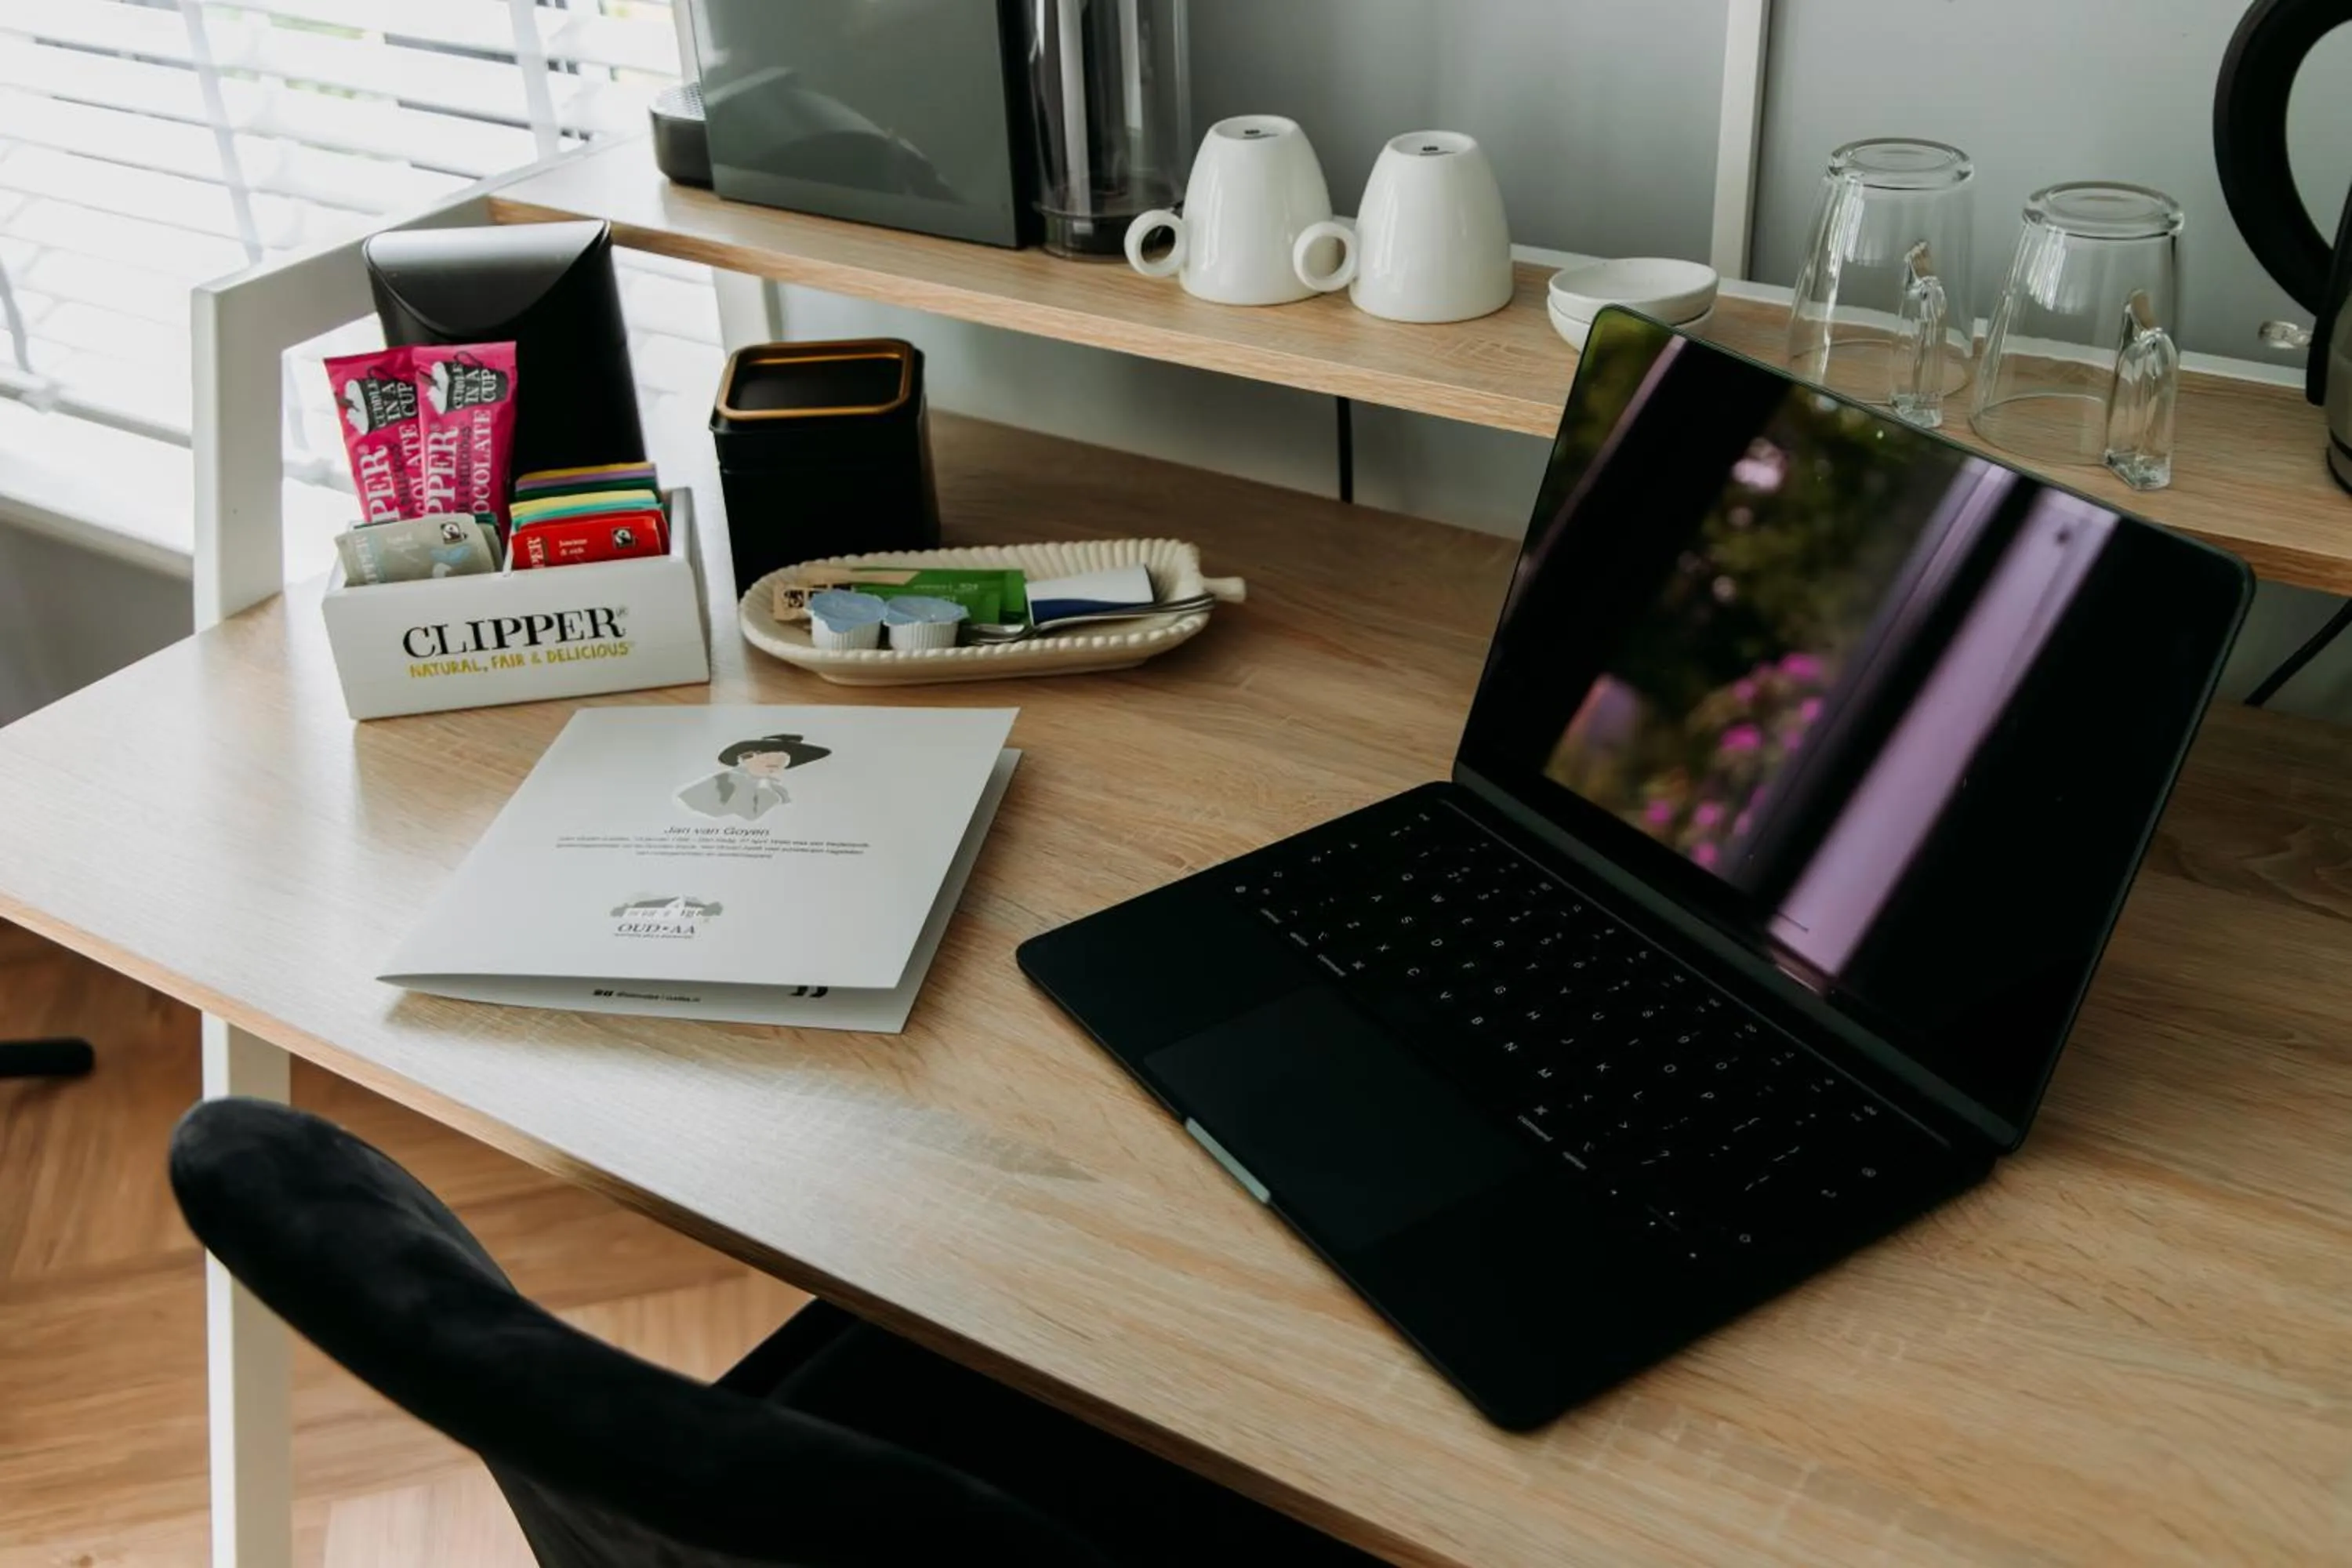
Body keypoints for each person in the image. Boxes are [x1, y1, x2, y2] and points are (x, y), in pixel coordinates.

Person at [675, 733, 831, 822]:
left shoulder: (775, 787)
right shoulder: (728, 780)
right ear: (746, 757)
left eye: (784, 761)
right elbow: (749, 814)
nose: (776, 765)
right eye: (769, 758)